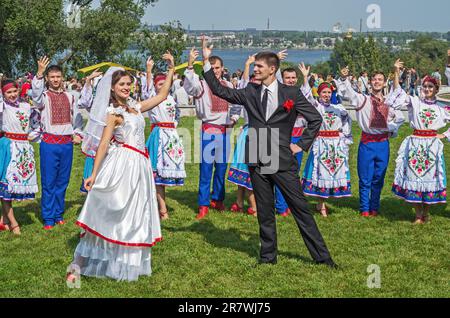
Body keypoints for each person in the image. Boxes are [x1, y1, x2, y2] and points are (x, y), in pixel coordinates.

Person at [201, 38, 337, 268]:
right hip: (256, 156)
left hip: (282, 158)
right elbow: (218, 89)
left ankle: (323, 258)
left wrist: (300, 145)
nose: (255, 70)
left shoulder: (291, 93)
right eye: (254, 67)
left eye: (259, 67)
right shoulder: (249, 91)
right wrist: (206, 60)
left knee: (300, 209)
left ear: (272, 69)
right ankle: (267, 258)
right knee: (264, 211)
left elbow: (315, 119)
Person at [66, 52, 175, 283]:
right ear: (112, 88)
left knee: (134, 212)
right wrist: (93, 174)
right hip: (122, 163)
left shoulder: (136, 106)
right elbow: (104, 143)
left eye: (128, 84)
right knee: (114, 207)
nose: (126, 87)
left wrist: (172, 69)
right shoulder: (114, 113)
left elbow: (163, 94)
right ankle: (81, 262)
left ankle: (124, 261)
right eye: (121, 84)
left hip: (140, 165)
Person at [337, 64, 405, 217]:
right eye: (374, 79)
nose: (377, 82)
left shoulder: (389, 101)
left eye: (380, 79)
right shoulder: (363, 100)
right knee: (365, 177)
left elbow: (399, 115)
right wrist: (343, 77)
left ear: (384, 82)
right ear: (370, 82)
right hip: (367, 143)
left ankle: (374, 207)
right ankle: (364, 208)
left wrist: (392, 129)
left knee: (378, 178)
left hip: (382, 144)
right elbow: (349, 92)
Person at [391, 60, 450, 224]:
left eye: (431, 87)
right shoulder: (415, 102)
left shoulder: (441, 108)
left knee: (428, 179)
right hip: (416, 144)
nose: (427, 89)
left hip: (432, 145)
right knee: (415, 177)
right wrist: (396, 73)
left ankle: (426, 212)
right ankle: (418, 215)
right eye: (425, 87)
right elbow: (398, 93)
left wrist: (444, 135)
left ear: (436, 90)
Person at [183, 47, 240, 219]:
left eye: (217, 68)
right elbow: (189, 87)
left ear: (223, 69)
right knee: (206, 169)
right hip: (209, 129)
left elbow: (236, 104)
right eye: (212, 67)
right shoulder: (201, 85)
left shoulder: (228, 85)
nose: (215, 71)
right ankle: (203, 204)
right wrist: (191, 63)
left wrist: (235, 118)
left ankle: (218, 199)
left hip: (225, 130)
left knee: (221, 168)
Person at [31, 57, 84, 229]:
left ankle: (58, 213)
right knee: (49, 181)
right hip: (49, 143)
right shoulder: (44, 97)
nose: (55, 80)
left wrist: (77, 133)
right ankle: (48, 217)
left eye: (58, 77)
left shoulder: (70, 96)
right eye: (52, 77)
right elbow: (36, 98)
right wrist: (39, 73)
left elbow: (77, 118)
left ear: (62, 78)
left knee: (63, 181)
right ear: (47, 78)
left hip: (66, 144)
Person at [299, 63, 353, 217]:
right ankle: (322, 205)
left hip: (335, 144)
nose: (326, 95)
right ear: (320, 93)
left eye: (329, 92)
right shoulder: (317, 107)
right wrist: (305, 77)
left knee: (330, 173)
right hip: (321, 143)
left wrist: (344, 137)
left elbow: (347, 122)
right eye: (324, 92)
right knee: (320, 173)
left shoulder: (339, 108)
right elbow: (306, 97)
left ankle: (320, 202)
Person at [0, 79, 40, 235]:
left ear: (19, 90)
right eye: (8, 92)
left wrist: (32, 135)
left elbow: (37, 122)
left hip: (23, 147)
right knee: (6, 186)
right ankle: (14, 223)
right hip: (8, 146)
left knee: (12, 186)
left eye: (14, 91)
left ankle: (3, 220)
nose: (12, 95)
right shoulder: (3, 107)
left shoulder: (26, 106)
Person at [146, 73, 186, 220]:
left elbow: (177, 115)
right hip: (158, 136)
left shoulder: (171, 98)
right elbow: (147, 88)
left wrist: (174, 126)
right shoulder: (153, 98)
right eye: (159, 84)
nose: (162, 86)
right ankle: (163, 210)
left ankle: (158, 206)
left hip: (171, 136)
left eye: (165, 84)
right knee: (157, 175)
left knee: (164, 175)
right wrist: (149, 71)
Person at [273, 65, 306, 217]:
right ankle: (280, 206)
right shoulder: (278, 94)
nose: (291, 80)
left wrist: (306, 78)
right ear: (282, 79)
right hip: (282, 137)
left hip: (297, 137)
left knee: (294, 172)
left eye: (293, 78)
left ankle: (291, 204)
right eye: (288, 78)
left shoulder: (300, 93)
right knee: (281, 171)